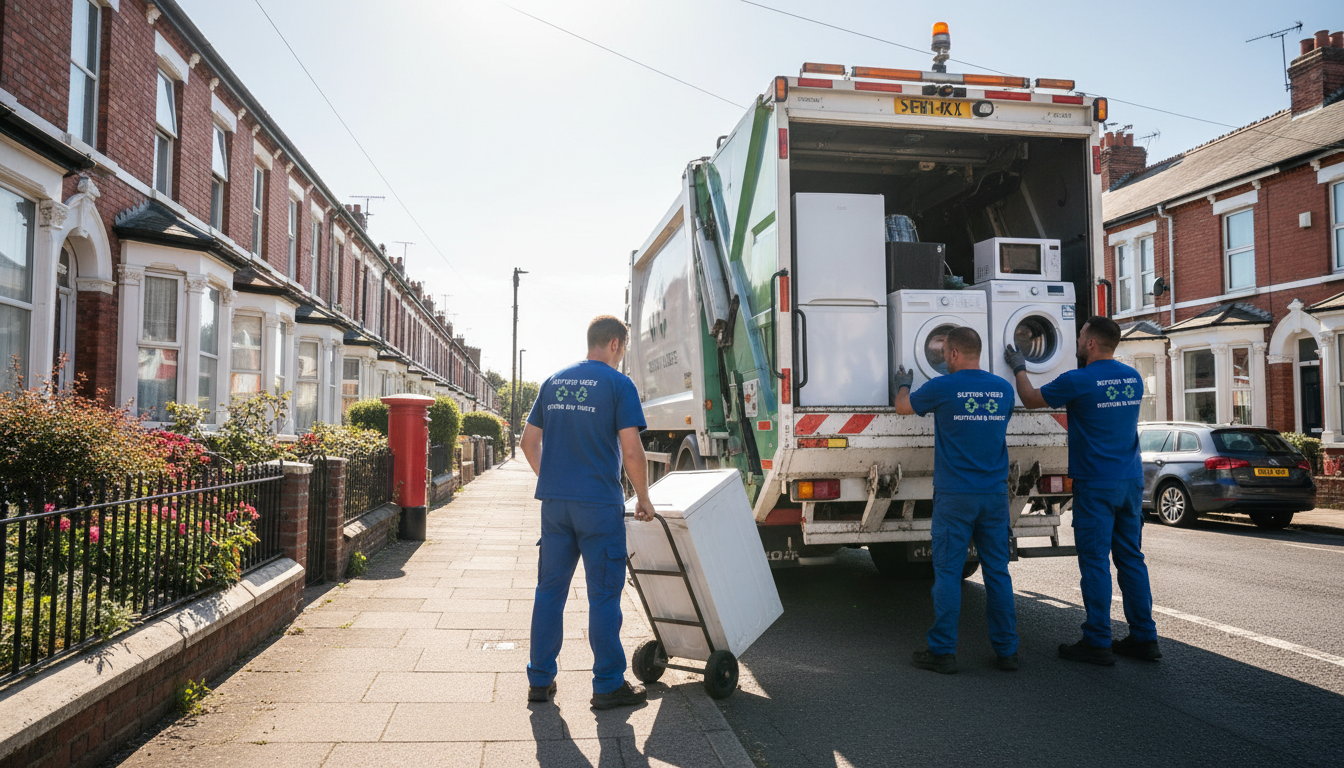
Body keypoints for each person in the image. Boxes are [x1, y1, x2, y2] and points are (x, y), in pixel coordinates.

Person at [520, 315, 657, 709]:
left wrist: (553, 479)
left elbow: (529, 443)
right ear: (615, 344)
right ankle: (608, 685)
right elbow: (631, 450)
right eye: (623, 349)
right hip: (599, 506)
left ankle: (540, 680)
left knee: (549, 592)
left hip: (555, 506)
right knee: (602, 597)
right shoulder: (618, 385)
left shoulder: (553, 381)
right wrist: (644, 499)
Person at [1007, 315, 1161, 665]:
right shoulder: (1133, 378)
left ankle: (1097, 641)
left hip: (1096, 483)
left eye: (1080, 335)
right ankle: (1144, 637)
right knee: (1131, 559)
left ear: (1091, 343)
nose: (1077, 340)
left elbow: (1031, 399)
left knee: (1094, 561)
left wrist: (1018, 365)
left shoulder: (1078, 380)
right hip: (1130, 481)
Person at [894, 326, 1020, 674]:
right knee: (998, 572)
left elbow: (903, 407)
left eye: (944, 354)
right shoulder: (1003, 389)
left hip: (955, 497)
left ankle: (943, 651)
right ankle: (1007, 650)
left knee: (948, 574)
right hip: (994, 496)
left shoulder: (943, 387)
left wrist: (902, 383)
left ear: (953, 354)